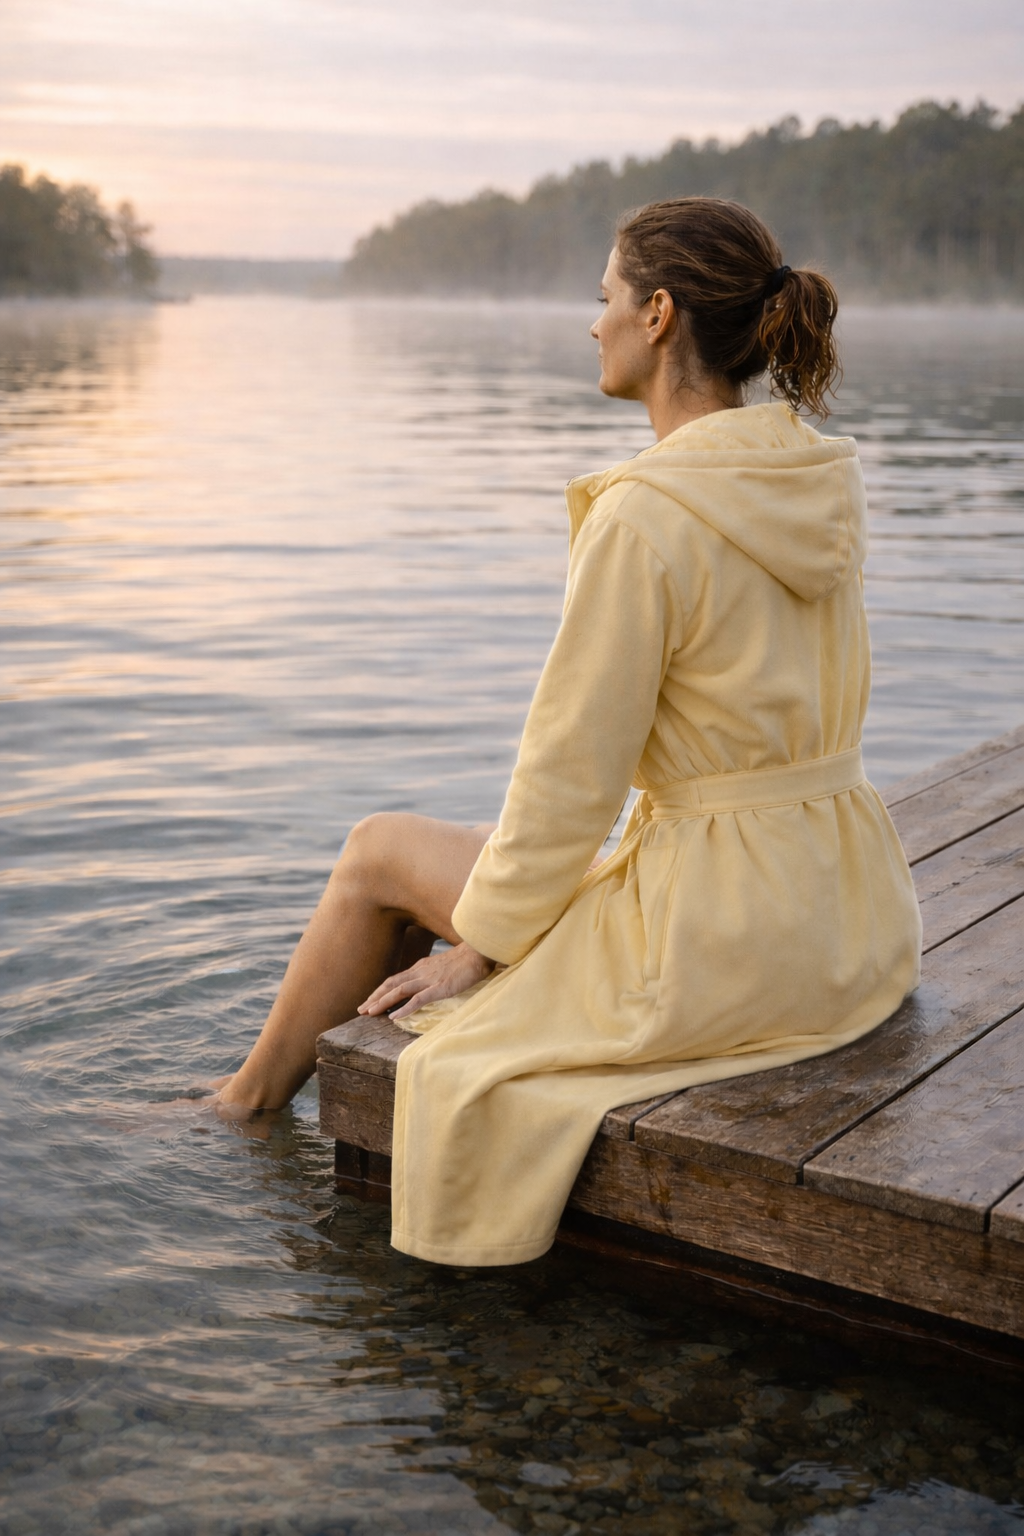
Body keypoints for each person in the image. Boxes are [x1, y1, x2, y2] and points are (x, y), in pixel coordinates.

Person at [211, 197, 922, 1266]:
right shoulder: (813, 481)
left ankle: (241, 1110)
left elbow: (569, 775)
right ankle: (256, 1091)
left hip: (717, 941)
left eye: (604, 299)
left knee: (375, 855)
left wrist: (482, 948)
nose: (591, 323)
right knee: (451, 897)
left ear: (658, 314)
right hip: (849, 918)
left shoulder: (647, 513)